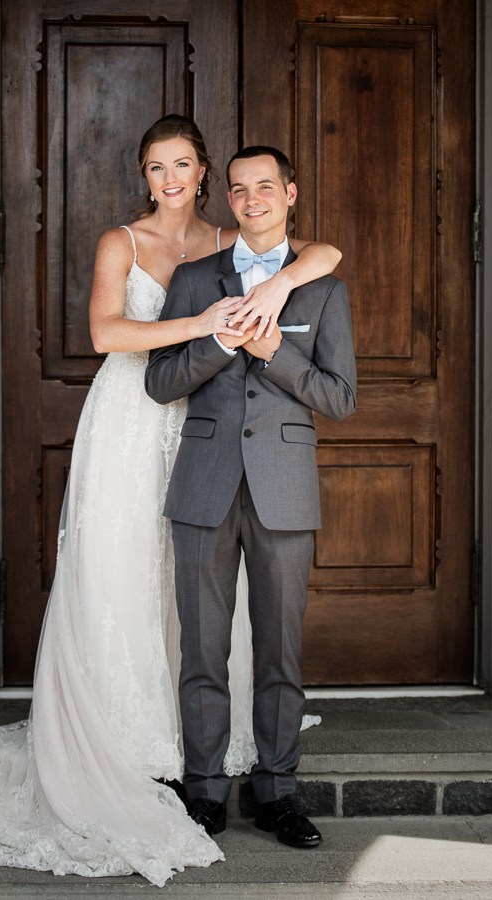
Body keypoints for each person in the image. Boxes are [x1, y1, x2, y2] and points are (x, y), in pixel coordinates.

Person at [0, 117, 341, 887]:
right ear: (144, 176)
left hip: (214, 429)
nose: (171, 177)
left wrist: (280, 282)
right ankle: (135, 742)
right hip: (134, 418)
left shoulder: (231, 239)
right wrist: (203, 325)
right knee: (128, 571)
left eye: (183, 163)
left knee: (200, 593)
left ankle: (213, 754)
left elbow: (322, 254)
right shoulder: (124, 241)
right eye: (157, 167)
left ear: (206, 170)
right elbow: (105, 330)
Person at [145, 145, 357, 847]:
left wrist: (275, 354)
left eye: (266, 186)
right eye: (238, 189)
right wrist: (222, 340)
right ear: (228, 199)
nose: (252, 198)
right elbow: (160, 381)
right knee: (202, 651)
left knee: (279, 651)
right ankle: (204, 794)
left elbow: (339, 397)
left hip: (284, 490)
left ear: (290, 193)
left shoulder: (322, 287)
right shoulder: (195, 277)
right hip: (204, 485)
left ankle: (278, 792)